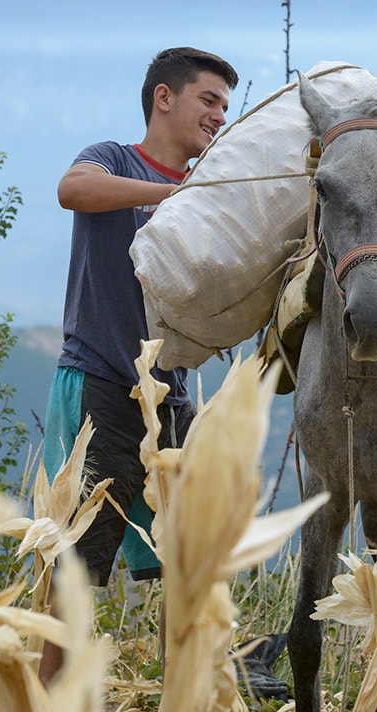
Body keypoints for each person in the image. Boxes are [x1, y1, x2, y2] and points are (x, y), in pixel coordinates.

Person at [38, 46, 238, 685]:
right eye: (209, 100)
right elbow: (73, 190)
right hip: (100, 382)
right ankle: (44, 697)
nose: (218, 116)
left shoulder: (208, 184)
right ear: (164, 97)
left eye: (225, 108)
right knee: (76, 562)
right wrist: (176, 191)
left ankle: (186, 690)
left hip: (169, 392)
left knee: (188, 558)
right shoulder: (115, 159)